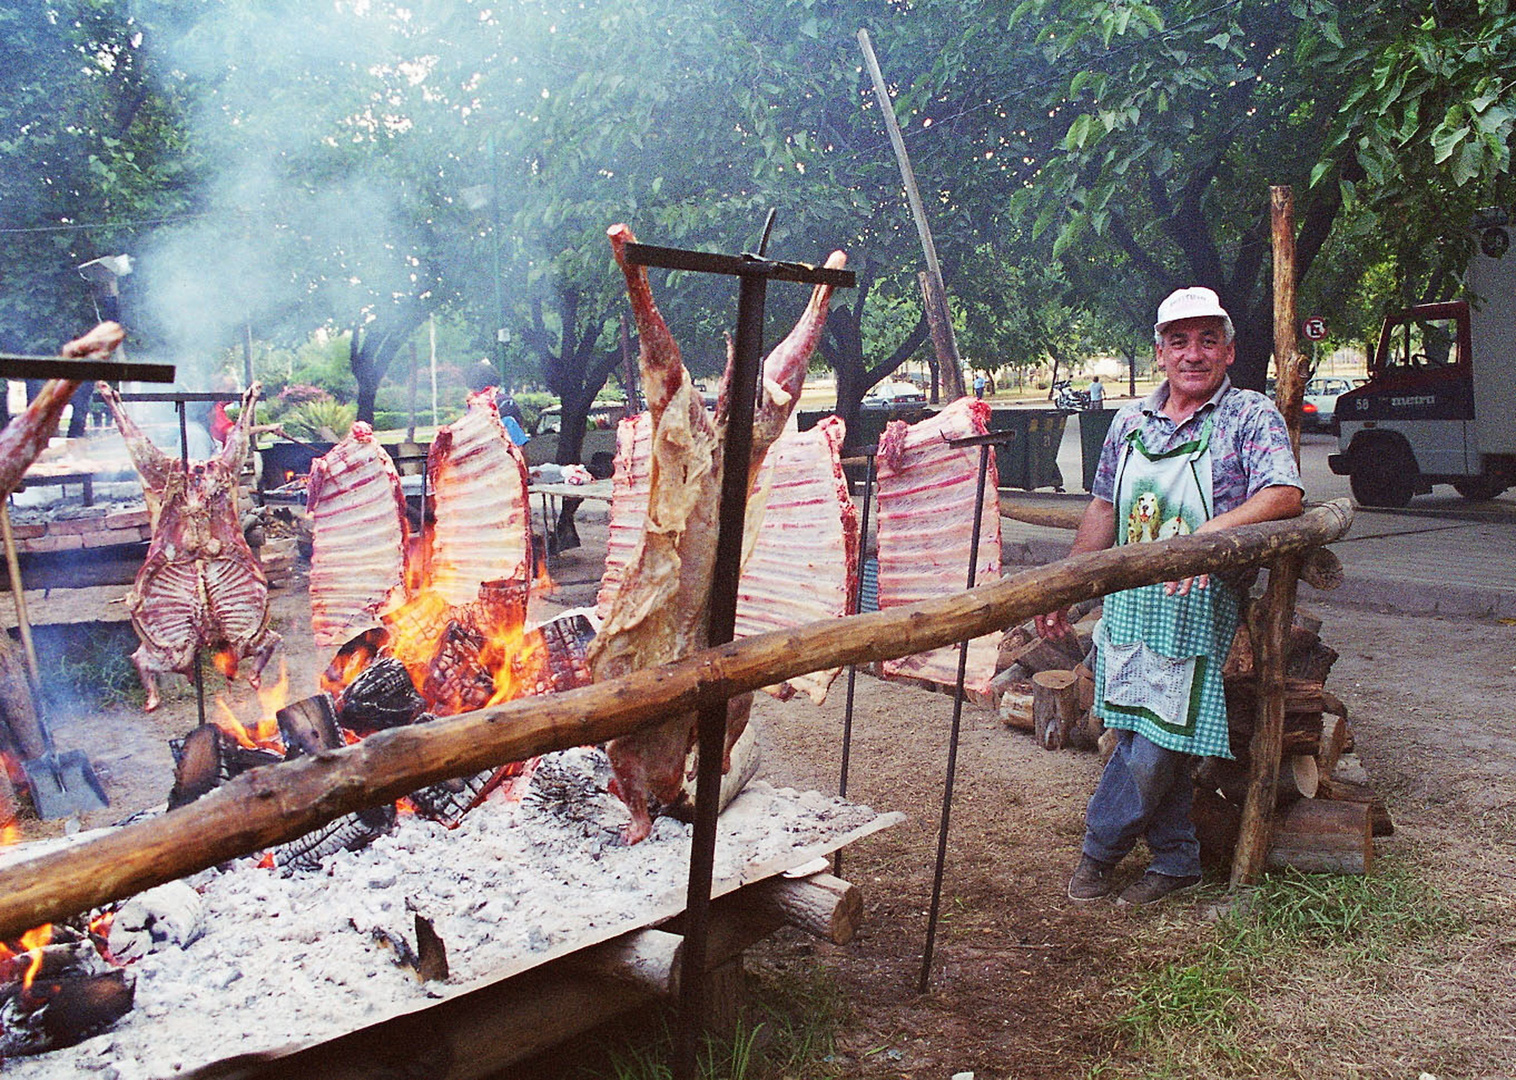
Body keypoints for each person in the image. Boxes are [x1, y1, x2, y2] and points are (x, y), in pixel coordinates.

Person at [1035, 286, 1303, 907]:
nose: (1193, 354)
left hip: (1197, 608)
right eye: (1179, 341)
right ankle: (1178, 860)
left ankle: (1098, 851)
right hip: (1128, 608)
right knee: (1135, 734)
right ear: (1159, 353)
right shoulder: (1129, 422)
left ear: (1229, 350)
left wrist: (1204, 539)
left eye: (1208, 340)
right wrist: (1073, 585)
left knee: (1157, 744)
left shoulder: (1248, 416)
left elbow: (1283, 494)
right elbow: (1104, 505)